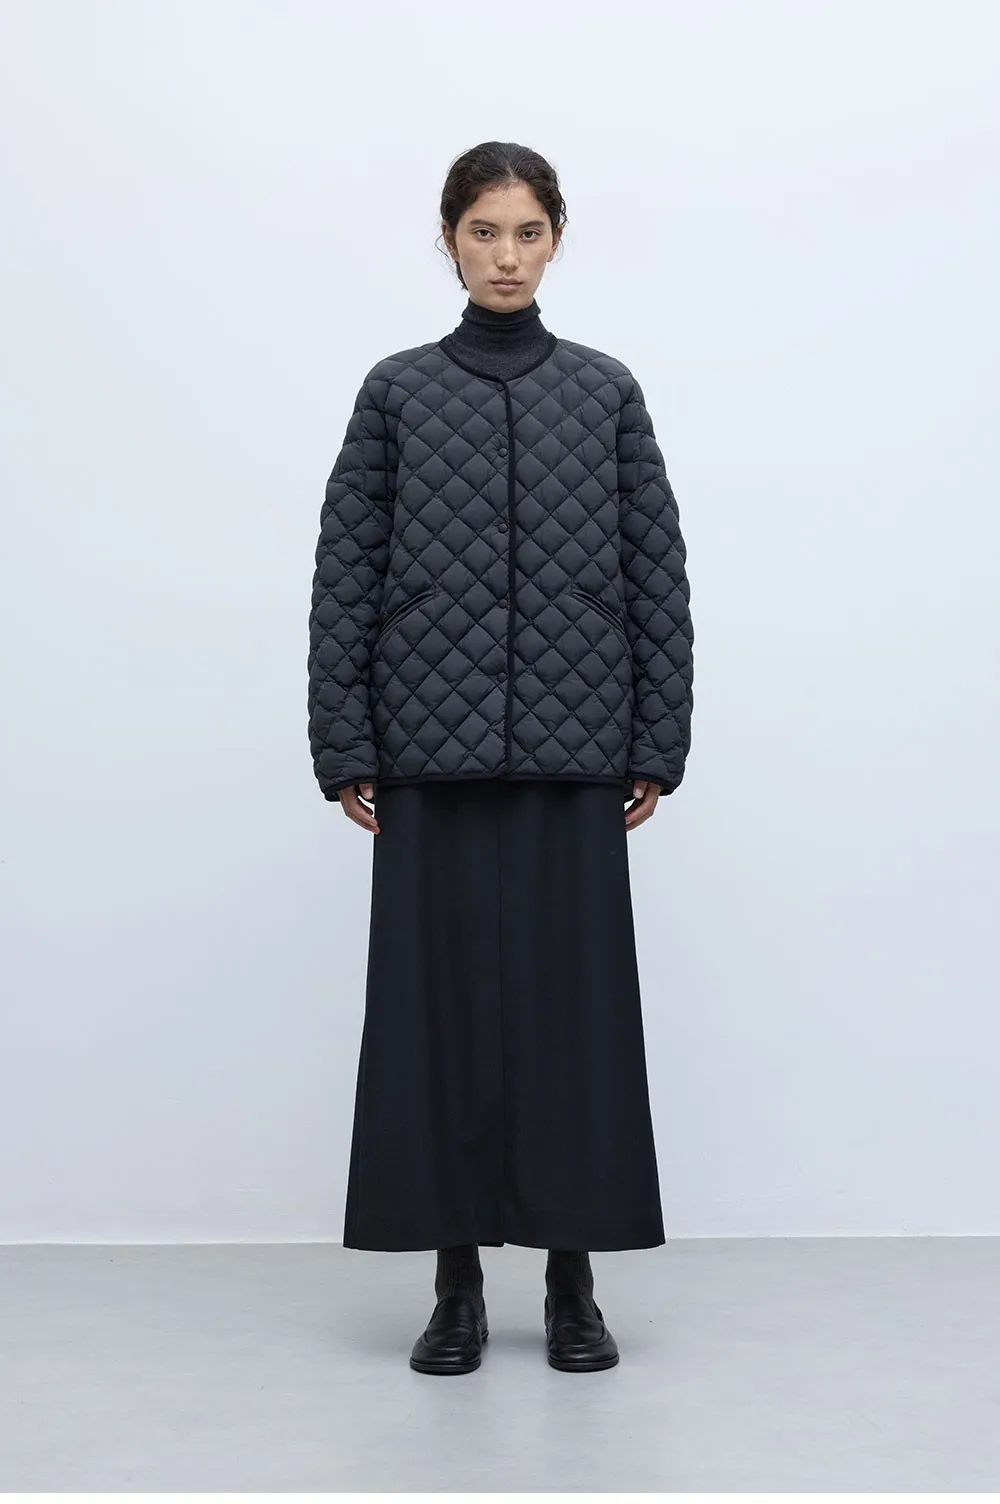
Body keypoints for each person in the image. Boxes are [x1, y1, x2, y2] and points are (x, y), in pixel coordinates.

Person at [307, 141, 695, 1376]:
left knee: (574, 1024)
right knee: (439, 1026)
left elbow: (656, 574)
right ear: (449, 240)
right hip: (427, 754)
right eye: (484, 231)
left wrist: (657, 739)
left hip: (577, 753)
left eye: (527, 232)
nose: (506, 255)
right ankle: (455, 1284)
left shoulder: (605, 390)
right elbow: (344, 575)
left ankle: (574, 1283)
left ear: (555, 240)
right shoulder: (396, 392)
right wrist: (344, 740)